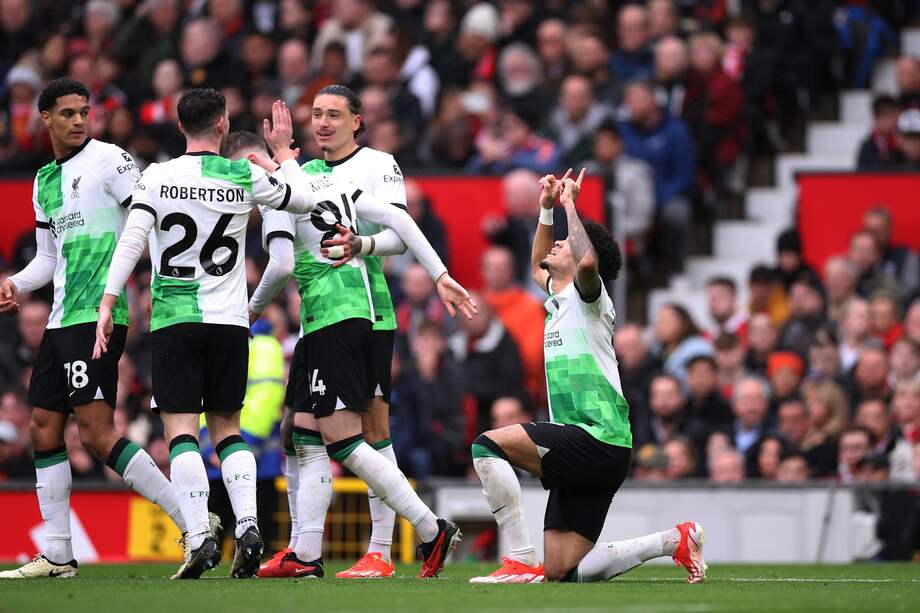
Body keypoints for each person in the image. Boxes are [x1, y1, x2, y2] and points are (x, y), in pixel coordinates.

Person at [246, 91, 475, 580]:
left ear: (358, 121)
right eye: (317, 116)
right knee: (301, 431)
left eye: (334, 114)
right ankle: (307, 552)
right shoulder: (313, 175)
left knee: (359, 435)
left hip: (364, 312)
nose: (323, 123)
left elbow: (396, 227)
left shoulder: (371, 165)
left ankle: (403, 540)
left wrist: (366, 245)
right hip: (323, 320)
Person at [92, 88, 317, 580]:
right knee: (227, 429)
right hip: (230, 322)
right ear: (223, 124)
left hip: (174, 319)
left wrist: (109, 300)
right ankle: (251, 526)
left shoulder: (158, 175)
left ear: (179, 127)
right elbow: (303, 199)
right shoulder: (243, 173)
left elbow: (133, 240)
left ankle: (199, 536)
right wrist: (281, 155)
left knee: (180, 431)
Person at [0, 79, 202, 581]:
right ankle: (60, 555)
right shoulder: (44, 179)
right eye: (66, 113)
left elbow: (150, 220)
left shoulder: (112, 160)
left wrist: (155, 282)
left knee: (94, 433)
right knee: (43, 429)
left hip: (99, 316)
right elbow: (47, 261)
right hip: (60, 316)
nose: (77, 120)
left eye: (83, 112)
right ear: (44, 117)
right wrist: (14, 285)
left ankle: (195, 523)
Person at [470, 169, 705, 585]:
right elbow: (535, 262)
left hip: (597, 436)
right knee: (563, 570)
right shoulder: (559, 298)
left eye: (565, 241)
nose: (557, 243)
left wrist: (570, 205)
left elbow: (588, 259)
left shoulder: (590, 299)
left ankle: (519, 559)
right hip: (595, 446)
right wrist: (545, 209)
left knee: (487, 446)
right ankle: (673, 541)